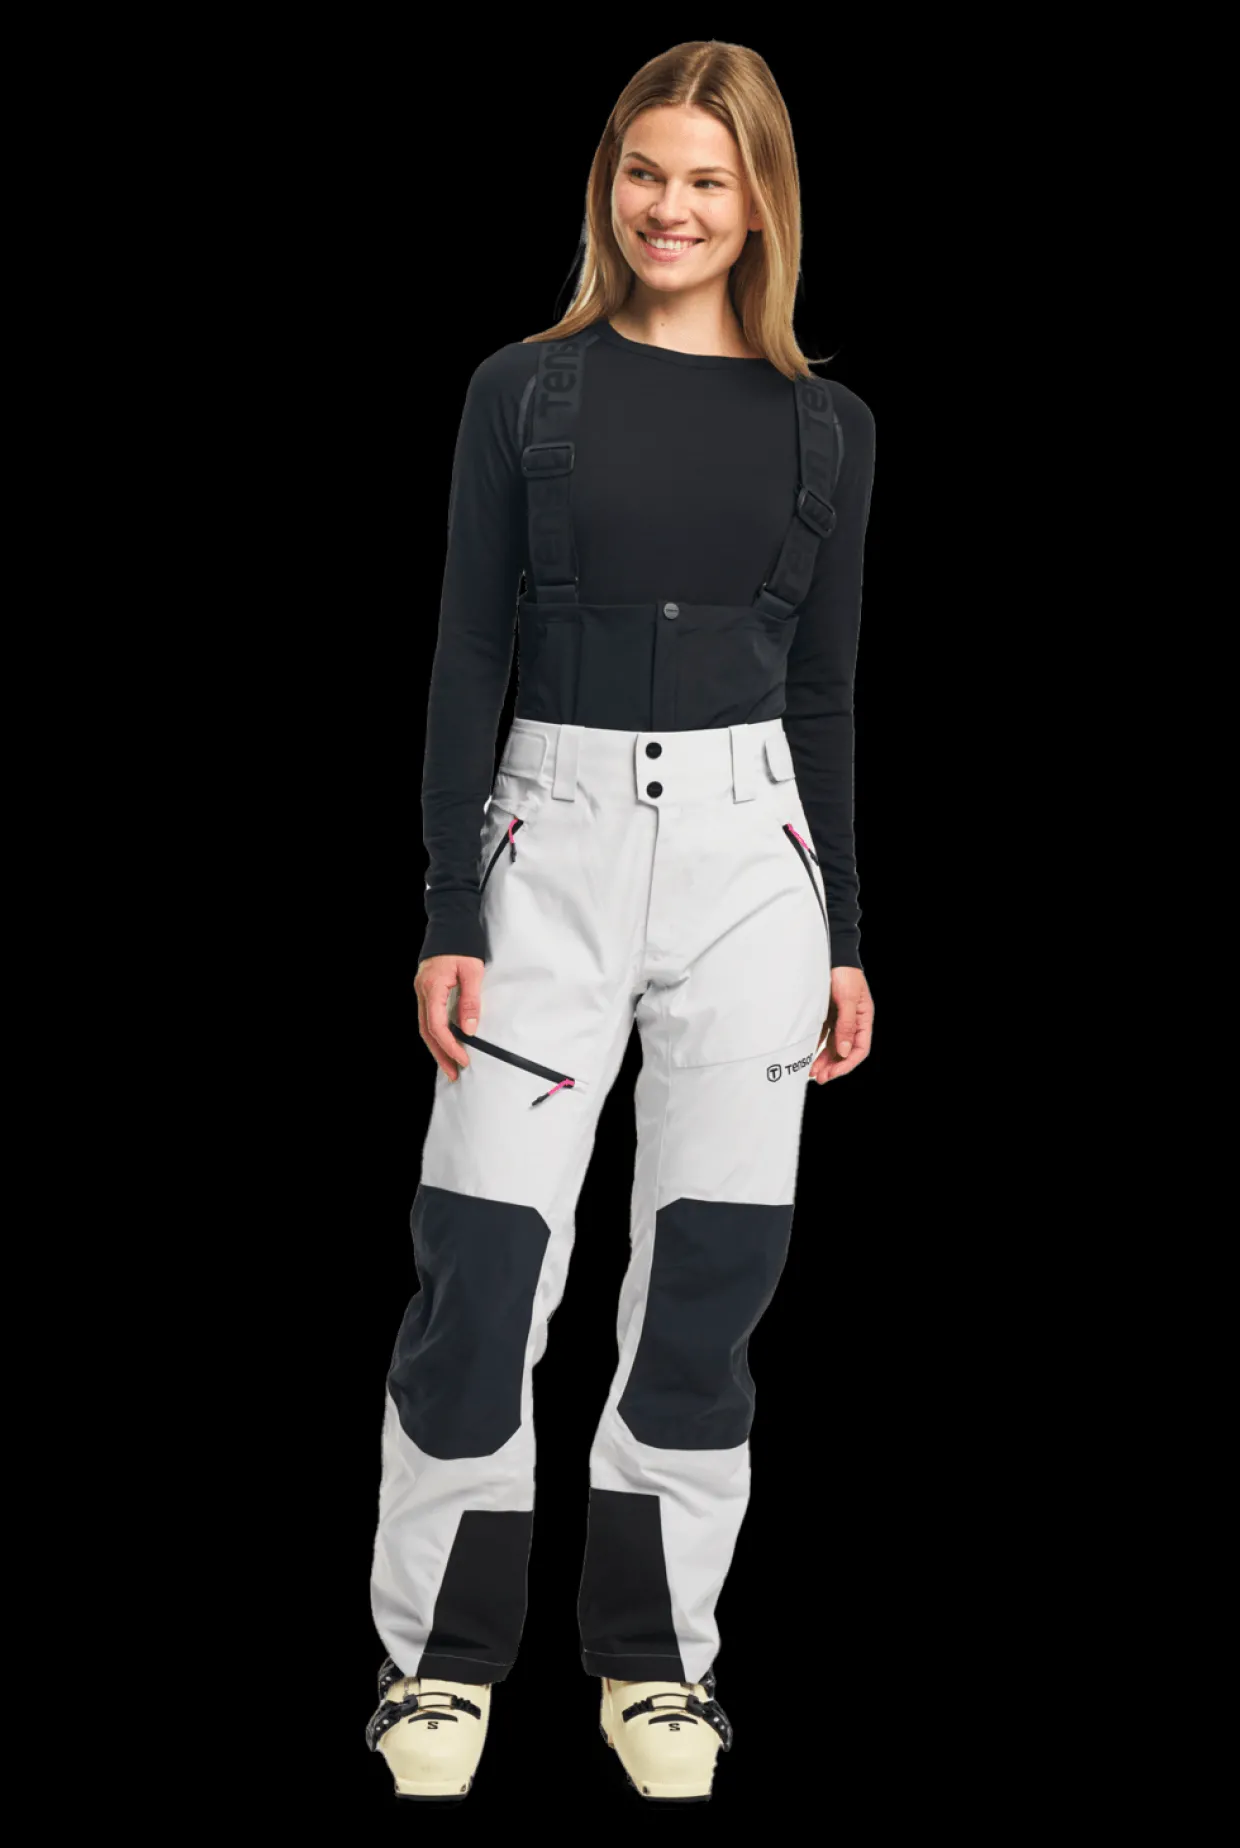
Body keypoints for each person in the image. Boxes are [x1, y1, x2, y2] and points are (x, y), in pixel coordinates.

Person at [366, 38, 877, 1805]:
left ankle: (656, 1664)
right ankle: (440, 1665)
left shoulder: (830, 427)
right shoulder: (523, 392)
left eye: (709, 181)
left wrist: (843, 933)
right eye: (645, 172)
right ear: (609, 184)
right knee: (485, 1256)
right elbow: (465, 651)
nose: (672, 207)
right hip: (549, 844)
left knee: (711, 1272)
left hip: (753, 862)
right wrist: (449, 904)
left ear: (761, 205)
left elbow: (827, 694)